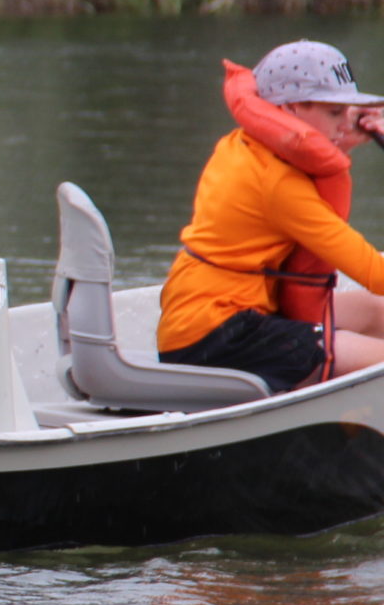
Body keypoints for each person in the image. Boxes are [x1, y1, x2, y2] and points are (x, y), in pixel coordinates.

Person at [155, 40, 384, 389]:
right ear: (291, 108)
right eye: (334, 113)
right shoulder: (277, 185)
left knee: (375, 313)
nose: (344, 124)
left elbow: (308, 154)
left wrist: (345, 137)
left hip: (208, 319)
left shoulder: (241, 144)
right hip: (217, 337)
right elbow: (372, 271)